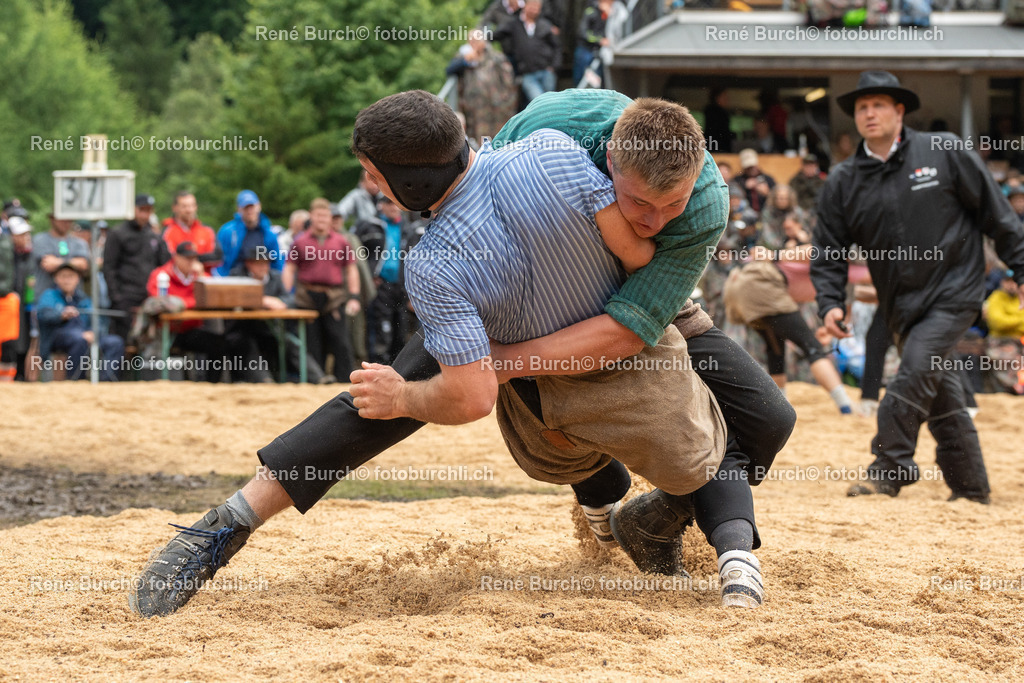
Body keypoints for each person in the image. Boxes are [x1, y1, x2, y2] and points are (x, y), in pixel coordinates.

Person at [130, 90, 794, 618]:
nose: (652, 218)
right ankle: (232, 518)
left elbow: (627, 323)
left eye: (668, 206)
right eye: (638, 202)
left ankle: (656, 517)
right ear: (612, 160)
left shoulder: (694, 203)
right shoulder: (551, 138)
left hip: (635, 301)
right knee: (388, 393)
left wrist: (498, 358)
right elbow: (484, 186)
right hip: (509, 290)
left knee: (766, 419)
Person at [811, 71, 1024, 503]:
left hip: (955, 290)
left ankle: (889, 466)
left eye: (879, 104)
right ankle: (971, 488)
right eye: (862, 107)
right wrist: (830, 303)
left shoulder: (944, 151)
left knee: (913, 371)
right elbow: (829, 250)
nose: (869, 113)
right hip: (899, 305)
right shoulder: (844, 180)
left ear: (899, 110)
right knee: (939, 389)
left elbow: (997, 216)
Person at [723, 247, 853, 414]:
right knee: (811, 346)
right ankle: (845, 406)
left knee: (775, 348)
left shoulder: (846, 278)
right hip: (760, 281)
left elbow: (844, 311)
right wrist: (775, 255)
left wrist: (830, 330)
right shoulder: (840, 259)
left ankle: (780, 406)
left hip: (736, 285)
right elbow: (815, 250)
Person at [283, 198, 361, 381]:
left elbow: (351, 270)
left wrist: (354, 297)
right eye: (318, 215)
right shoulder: (300, 242)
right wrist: (286, 296)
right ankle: (316, 381)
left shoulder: (341, 241)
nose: (322, 219)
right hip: (306, 298)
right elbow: (289, 269)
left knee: (341, 343)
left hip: (334, 298)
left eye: (325, 216)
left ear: (330, 218)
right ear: (311, 216)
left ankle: (344, 381)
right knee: (312, 344)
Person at [227, 247, 326, 384]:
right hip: (243, 328)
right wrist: (261, 300)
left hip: (270, 329)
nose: (263, 267)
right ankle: (265, 380)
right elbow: (229, 298)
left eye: (265, 263)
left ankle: (319, 378)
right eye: (259, 263)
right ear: (248, 264)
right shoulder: (236, 276)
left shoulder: (275, 277)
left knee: (291, 343)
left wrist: (280, 302)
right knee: (247, 344)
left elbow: (290, 299)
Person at [146, 242, 233, 383]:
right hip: (166, 331)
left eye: (194, 258)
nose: (191, 262)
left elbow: (212, 297)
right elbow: (160, 302)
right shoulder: (161, 274)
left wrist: (200, 278)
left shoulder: (199, 276)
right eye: (187, 258)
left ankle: (212, 384)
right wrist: (192, 302)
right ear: (176, 257)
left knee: (219, 343)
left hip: (190, 328)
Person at [355, 196, 418, 364]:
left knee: (401, 330)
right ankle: (377, 367)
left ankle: (397, 370)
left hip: (403, 287)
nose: (394, 207)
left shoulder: (408, 228)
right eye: (389, 203)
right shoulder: (370, 225)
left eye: (396, 203)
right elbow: (357, 254)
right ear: (381, 205)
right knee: (381, 330)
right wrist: (369, 276)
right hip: (380, 286)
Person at [36, 262, 124, 381]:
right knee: (79, 339)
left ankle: (106, 381)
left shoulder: (83, 298)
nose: (67, 280)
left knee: (115, 342)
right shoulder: (49, 295)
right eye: (63, 276)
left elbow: (96, 320)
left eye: (71, 276)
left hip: (84, 335)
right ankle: (76, 380)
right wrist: (61, 315)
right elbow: (43, 315)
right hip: (57, 337)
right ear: (56, 279)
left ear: (77, 279)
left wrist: (93, 332)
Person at [104, 195, 171, 342]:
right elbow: (109, 267)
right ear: (133, 209)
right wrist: (116, 297)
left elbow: (164, 263)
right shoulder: (118, 233)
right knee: (123, 341)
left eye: (149, 211)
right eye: (142, 210)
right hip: (125, 297)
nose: (145, 215)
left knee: (149, 340)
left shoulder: (153, 235)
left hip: (149, 297)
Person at [447, 28, 518, 142]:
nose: (474, 43)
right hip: (474, 109)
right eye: (471, 41)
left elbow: (509, 81)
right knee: (479, 140)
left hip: (497, 108)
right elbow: (449, 70)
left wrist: (507, 100)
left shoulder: (496, 57)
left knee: (499, 138)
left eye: (477, 40)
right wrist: (464, 61)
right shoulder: (464, 57)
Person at [494, 0, 561, 104]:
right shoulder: (514, 24)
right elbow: (496, 35)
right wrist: (479, 36)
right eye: (532, 7)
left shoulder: (545, 25)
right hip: (527, 74)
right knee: (539, 102)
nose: (534, 10)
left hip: (546, 72)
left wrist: (554, 66)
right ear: (525, 6)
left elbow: (556, 46)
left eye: (537, 8)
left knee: (550, 103)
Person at [215, 190, 282, 276]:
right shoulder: (227, 232)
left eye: (252, 207)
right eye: (246, 208)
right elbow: (219, 260)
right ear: (239, 209)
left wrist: (275, 280)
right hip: (233, 278)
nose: (249, 211)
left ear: (259, 206)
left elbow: (277, 262)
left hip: (262, 278)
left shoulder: (269, 234)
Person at [162, 192, 222, 274]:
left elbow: (217, 257)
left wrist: (189, 260)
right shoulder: (168, 231)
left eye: (191, 206)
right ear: (175, 208)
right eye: (184, 206)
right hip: (177, 279)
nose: (189, 210)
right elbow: (167, 258)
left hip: (203, 277)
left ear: (196, 207)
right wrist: (194, 261)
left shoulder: (207, 230)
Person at [704, 88, 733, 154]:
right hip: (719, 148)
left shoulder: (710, 112)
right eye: (724, 97)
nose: (726, 100)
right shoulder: (718, 113)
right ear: (717, 98)